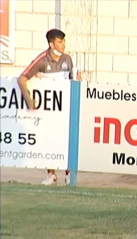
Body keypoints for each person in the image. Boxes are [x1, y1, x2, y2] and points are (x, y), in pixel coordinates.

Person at [17, 29, 78, 186]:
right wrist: (29, 100)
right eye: (59, 42)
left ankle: (69, 174)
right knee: (49, 140)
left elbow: (72, 80)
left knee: (67, 140)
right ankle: (51, 175)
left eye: (63, 41)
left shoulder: (67, 59)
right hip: (48, 110)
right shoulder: (42, 60)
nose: (62, 44)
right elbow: (22, 78)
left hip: (65, 108)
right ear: (51, 44)